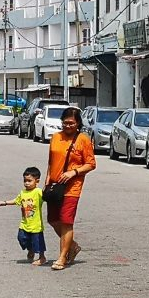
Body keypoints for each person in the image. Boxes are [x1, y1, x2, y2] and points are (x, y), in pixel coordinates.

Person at [46, 107, 96, 271]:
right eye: (65, 123)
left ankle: (62, 257)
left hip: (72, 187)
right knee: (53, 220)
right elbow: (50, 162)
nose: (68, 126)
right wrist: (47, 182)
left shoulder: (83, 140)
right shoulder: (55, 137)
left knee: (66, 221)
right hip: (54, 186)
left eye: (71, 123)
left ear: (78, 123)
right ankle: (72, 246)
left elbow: (91, 164)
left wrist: (73, 172)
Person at [0, 167, 47, 266]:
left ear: (37, 181)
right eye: (25, 181)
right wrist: (5, 203)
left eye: (29, 181)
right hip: (24, 223)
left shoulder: (38, 192)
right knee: (21, 238)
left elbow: (47, 197)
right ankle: (30, 249)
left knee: (38, 242)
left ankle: (42, 257)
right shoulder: (23, 192)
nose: (26, 183)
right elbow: (16, 201)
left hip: (36, 224)